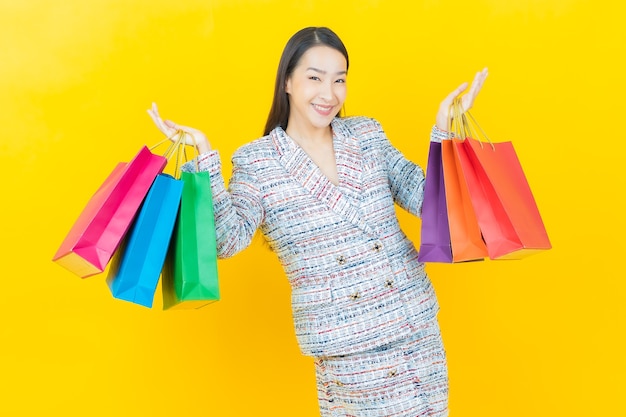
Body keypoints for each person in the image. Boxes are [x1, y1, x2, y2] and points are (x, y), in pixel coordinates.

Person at [148, 26, 487, 417]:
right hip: (346, 349)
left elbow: (430, 202)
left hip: (415, 330)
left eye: (339, 80)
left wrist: (445, 129)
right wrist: (205, 156)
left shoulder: (366, 133)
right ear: (287, 81)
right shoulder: (257, 162)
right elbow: (227, 239)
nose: (329, 94)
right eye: (315, 78)